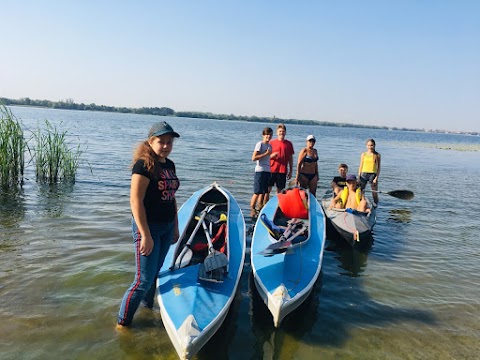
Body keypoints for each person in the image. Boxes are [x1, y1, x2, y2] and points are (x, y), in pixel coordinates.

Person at [117, 121, 180, 329]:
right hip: (149, 228)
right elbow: (135, 201)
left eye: (169, 142)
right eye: (161, 141)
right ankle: (123, 324)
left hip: (167, 225)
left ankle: (147, 308)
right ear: (151, 141)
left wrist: (176, 226)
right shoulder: (143, 166)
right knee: (142, 280)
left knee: (155, 273)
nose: (165, 146)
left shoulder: (169, 165)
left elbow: (171, 197)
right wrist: (145, 234)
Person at [267, 124, 294, 201]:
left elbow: (290, 158)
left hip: (282, 170)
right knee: (267, 190)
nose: (281, 133)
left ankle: (278, 205)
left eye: (283, 131)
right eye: (280, 131)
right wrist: (272, 156)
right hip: (271, 169)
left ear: (285, 133)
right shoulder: (271, 143)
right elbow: (265, 157)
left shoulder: (289, 144)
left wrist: (291, 170)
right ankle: (264, 205)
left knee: (280, 191)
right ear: (277, 132)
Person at [250, 127, 273, 217]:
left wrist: (270, 156)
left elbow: (267, 158)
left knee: (264, 192)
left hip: (267, 170)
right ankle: (252, 209)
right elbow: (254, 158)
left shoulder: (270, 146)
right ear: (263, 135)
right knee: (257, 192)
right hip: (260, 170)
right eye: (267, 134)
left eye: (270, 134)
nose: (268, 136)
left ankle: (260, 209)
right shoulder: (260, 144)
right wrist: (266, 154)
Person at [358, 138, 381, 205]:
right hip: (363, 174)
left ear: (374, 145)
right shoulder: (363, 154)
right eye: (368, 145)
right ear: (366, 146)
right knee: (361, 191)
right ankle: (361, 204)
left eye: (371, 145)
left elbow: (379, 167)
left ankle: (375, 205)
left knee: (374, 193)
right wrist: (359, 176)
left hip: (373, 175)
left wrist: (376, 178)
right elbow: (361, 166)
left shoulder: (377, 155)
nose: (370, 147)